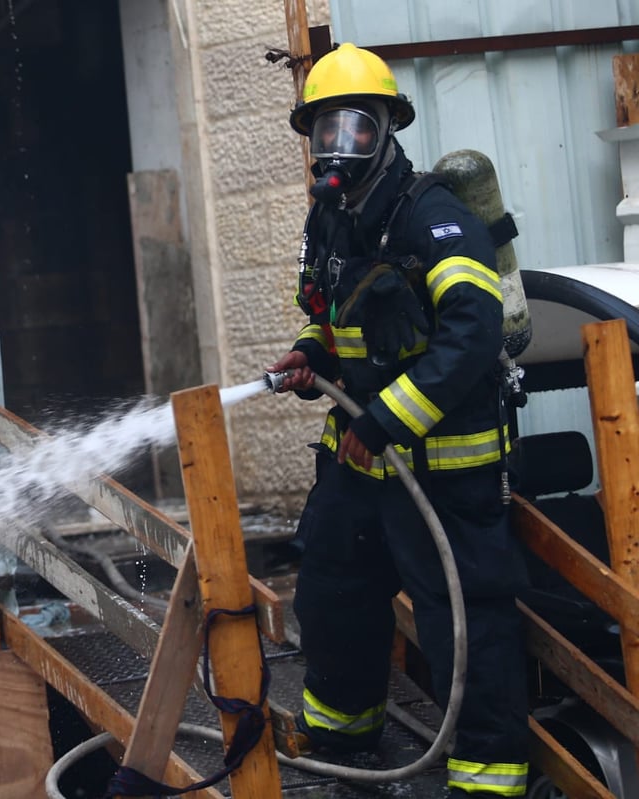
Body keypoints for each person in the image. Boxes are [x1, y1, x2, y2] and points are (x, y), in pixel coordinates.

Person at [267, 43, 530, 797]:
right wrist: (305, 354)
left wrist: (385, 418)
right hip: (359, 463)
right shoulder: (328, 223)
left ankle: (486, 779)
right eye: (324, 130)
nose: (338, 146)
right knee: (332, 589)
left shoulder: (435, 219)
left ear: (388, 131)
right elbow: (326, 317)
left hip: (446, 473)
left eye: (356, 127)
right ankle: (344, 738)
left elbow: (473, 334)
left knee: (464, 623)